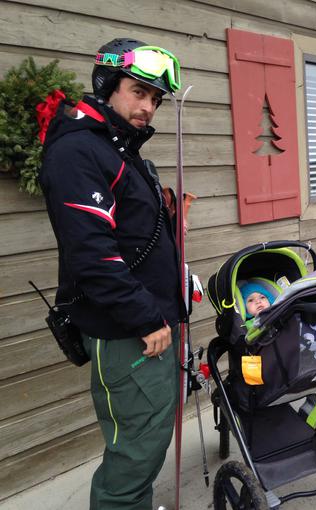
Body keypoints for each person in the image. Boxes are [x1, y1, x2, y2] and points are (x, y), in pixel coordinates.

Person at [39, 38, 185, 509]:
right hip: (130, 333)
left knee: (149, 438)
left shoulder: (121, 150)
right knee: (134, 454)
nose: (148, 107)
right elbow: (92, 255)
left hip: (152, 324)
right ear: (107, 86)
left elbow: (130, 235)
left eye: (156, 99)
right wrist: (146, 317)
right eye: (139, 92)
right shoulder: (79, 151)